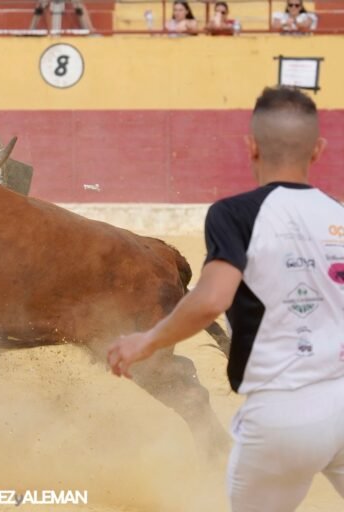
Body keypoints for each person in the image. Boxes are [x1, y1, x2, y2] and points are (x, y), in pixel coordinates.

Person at [107, 86, 344, 511]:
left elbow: (212, 300)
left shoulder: (234, 214)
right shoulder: (339, 215)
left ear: (251, 146)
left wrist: (146, 341)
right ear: (319, 150)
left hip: (281, 413)